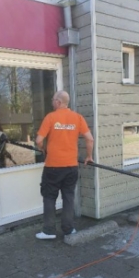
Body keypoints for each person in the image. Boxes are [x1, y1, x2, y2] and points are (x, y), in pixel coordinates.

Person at [35, 90, 94, 240]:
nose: (52, 102)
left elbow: (38, 140)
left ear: (58, 102)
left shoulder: (51, 117)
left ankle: (49, 231)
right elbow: (90, 139)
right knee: (68, 197)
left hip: (53, 167)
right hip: (71, 167)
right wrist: (89, 156)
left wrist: (42, 149)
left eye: (53, 99)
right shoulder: (77, 118)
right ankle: (68, 229)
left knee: (49, 197)